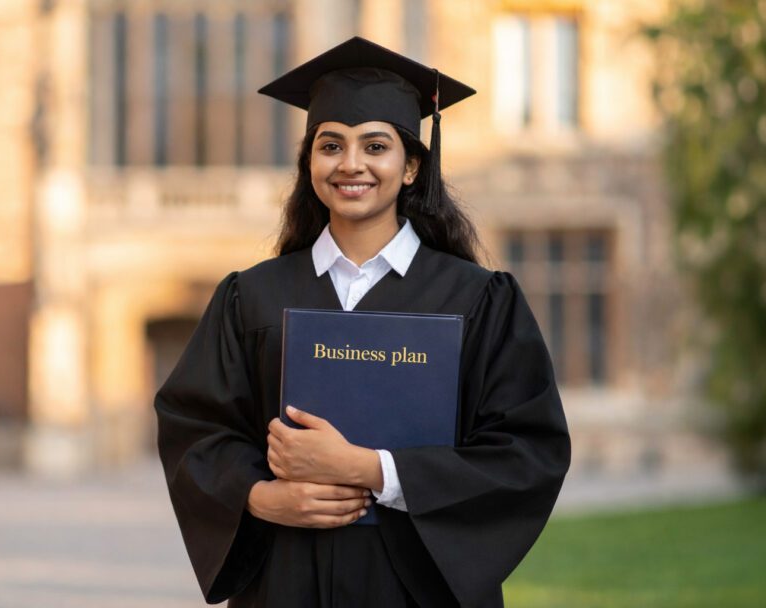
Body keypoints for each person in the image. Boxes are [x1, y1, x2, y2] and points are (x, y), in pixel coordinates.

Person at [154, 36, 571, 608]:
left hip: (419, 589)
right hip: (285, 579)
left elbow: (526, 451)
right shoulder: (251, 297)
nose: (351, 164)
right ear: (310, 165)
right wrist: (259, 497)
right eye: (331, 146)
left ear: (411, 168)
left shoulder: (477, 300)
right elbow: (195, 428)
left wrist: (374, 470)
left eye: (375, 146)